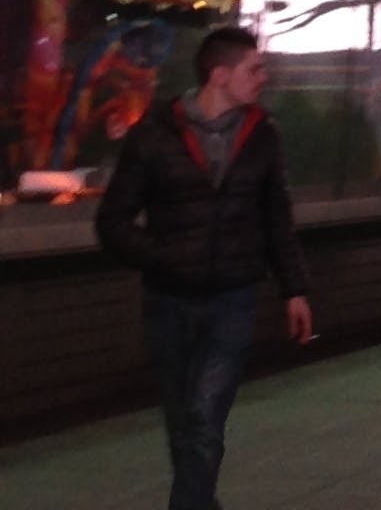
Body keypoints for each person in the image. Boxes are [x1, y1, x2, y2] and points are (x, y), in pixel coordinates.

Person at [95, 25, 316, 510]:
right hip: (168, 300)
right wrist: (162, 256)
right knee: (183, 422)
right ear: (220, 75)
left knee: (205, 415)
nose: (263, 77)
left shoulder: (262, 136)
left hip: (232, 299)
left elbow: (277, 218)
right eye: (254, 69)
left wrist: (294, 289)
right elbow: (112, 221)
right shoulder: (154, 134)